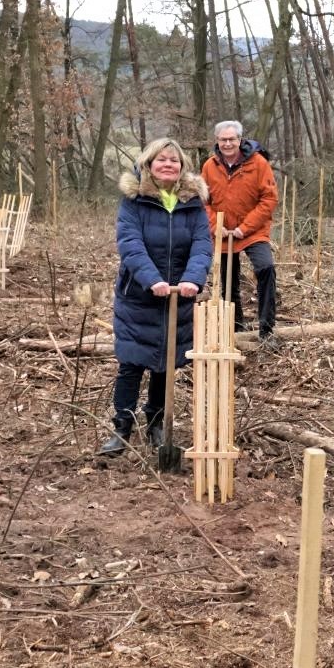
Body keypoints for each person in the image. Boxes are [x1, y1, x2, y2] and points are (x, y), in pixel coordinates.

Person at [101, 138, 214, 467]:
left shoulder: (192, 202)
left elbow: (202, 244)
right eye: (161, 159)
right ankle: (121, 427)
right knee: (132, 362)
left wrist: (192, 279)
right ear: (148, 165)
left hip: (179, 296)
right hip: (139, 295)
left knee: (167, 363)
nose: (168, 165)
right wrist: (152, 280)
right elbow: (130, 243)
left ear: (182, 167)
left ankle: (156, 425)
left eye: (174, 160)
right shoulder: (134, 200)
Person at [200, 120, 279, 342]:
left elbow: (269, 199)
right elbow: (203, 201)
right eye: (223, 140)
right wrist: (216, 226)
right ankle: (235, 327)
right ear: (217, 141)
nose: (227, 144)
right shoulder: (209, 166)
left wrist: (244, 228)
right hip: (222, 232)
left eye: (231, 139)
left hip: (253, 231)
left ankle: (267, 329)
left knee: (265, 268)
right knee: (228, 281)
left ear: (240, 140)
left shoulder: (259, 163)